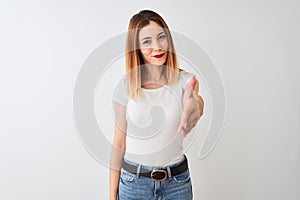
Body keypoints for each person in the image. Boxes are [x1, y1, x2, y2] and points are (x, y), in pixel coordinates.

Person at [109, 10, 204, 200]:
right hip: (133, 185)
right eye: (147, 42)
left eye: (161, 38)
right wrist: (112, 195)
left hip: (176, 184)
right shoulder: (125, 86)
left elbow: (196, 102)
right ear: (136, 48)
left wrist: (195, 104)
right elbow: (119, 143)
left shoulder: (186, 81)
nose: (157, 47)